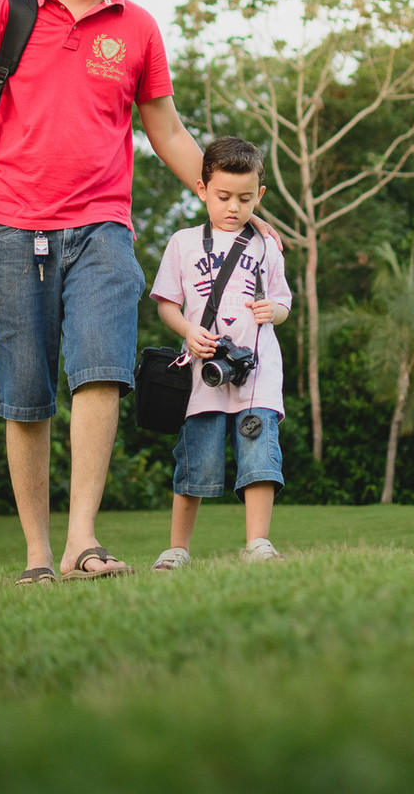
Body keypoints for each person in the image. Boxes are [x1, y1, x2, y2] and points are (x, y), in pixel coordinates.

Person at [0, 0, 276, 585]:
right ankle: (35, 555)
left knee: (100, 376)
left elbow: (168, 131)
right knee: (25, 394)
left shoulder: (138, 28)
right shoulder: (10, 11)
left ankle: (81, 542)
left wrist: (226, 205)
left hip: (101, 229)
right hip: (9, 228)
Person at [150, 136, 292, 569]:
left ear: (260, 196)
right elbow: (166, 304)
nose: (233, 207)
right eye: (223, 196)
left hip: (257, 373)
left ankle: (258, 544)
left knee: (260, 454)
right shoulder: (183, 243)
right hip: (202, 372)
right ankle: (177, 549)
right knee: (195, 457)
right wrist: (188, 330)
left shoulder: (268, 245)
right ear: (202, 190)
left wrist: (275, 311)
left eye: (246, 199)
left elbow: (284, 303)